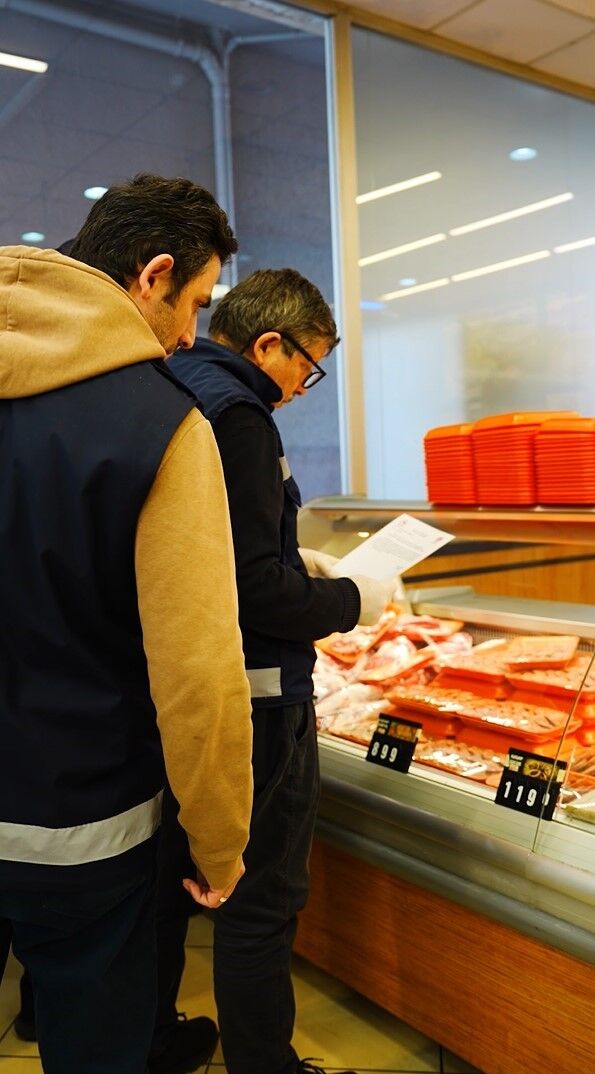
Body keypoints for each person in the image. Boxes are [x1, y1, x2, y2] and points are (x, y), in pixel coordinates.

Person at [0, 173, 254, 1074]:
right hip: (84, 832)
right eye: (194, 303)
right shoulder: (161, 423)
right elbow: (197, 672)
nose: (189, 335)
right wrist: (220, 841)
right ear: (152, 275)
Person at [164, 268, 395, 1074]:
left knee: (187, 886)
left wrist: (293, 559)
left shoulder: (178, 385)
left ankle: (160, 1035)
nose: (302, 386)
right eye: (308, 365)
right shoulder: (239, 413)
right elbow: (253, 590)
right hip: (259, 697)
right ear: (269, 344)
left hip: (195, 687)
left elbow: (219, 550)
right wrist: (350, 599)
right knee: (260, 898)